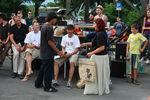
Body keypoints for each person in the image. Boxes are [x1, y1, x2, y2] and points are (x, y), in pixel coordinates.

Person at [34, 12, 63, 92]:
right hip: (48, 53)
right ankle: (48, 87)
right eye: (56, 19)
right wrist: (58, 51)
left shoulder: (43, 26)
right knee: (48, 71)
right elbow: (50, 41)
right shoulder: (49, 27)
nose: (56, 20)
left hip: (43, 51)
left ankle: (38, 83)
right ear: (53, 18)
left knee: (43, 68)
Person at [80, 18, 110, 95]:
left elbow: (102, 47)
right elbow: (95, 43)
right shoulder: (100, 33)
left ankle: (97, 89)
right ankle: (97, 88)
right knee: (97, 74)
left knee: (96, 74)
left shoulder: (100, 34)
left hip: (99, 57)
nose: (93, 25)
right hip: (101, 57)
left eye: (94, 23)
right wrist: (85, 44)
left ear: (98, 25)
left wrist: (91, 53)